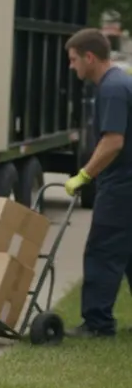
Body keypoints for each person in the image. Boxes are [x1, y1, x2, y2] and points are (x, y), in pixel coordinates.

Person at [63, 28, 132, 338]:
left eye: (74, 59)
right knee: (127, 252)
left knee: (102, 251)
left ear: (90, 57)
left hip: (122, 186)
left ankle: (97, 324)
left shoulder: (112, 88)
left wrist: (83, 175)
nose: (72, 65)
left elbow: (113, 142)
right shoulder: (121, 83)